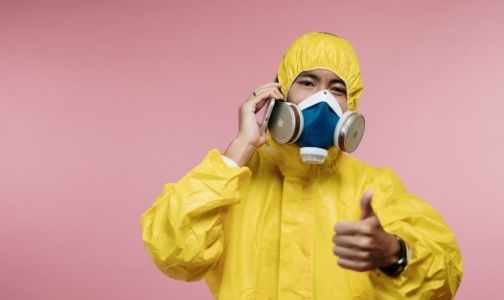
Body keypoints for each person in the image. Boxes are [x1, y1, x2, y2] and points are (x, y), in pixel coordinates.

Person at [141, 32, 463, 299]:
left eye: (337, 89)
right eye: (307, 83)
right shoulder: (234, 179)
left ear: (351, 107)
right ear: (279, 93)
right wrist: (238, 150)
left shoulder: (374, 187)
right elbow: (173, 251)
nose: (321, 100)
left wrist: (394, 255)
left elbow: (445, 274)